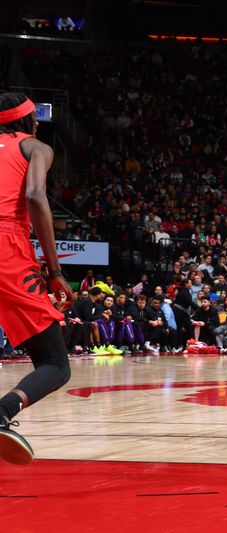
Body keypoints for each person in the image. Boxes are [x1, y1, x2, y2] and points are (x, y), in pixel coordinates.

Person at [0, 93, 74, 464]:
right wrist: (55, 270)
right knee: (55, 364)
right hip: (6, 245)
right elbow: (33, 195)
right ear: (29, 122)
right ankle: (3, 411)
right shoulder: (36, 147)